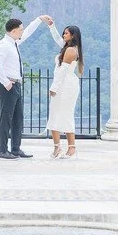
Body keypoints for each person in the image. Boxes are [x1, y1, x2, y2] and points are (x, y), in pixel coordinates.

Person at [0, 14, 53, 160]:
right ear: (13, 31)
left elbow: (27, 33)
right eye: (20, 29)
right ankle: (3, 150)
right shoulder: (4, 45)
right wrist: (6, 83)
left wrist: (39, 19)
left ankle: (15, 148)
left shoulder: (14, 42)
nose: (22, 32)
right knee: (5, 118)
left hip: (16, 85)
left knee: (18, 118)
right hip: (8, 85)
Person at [47, 24, 84, 158]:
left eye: (66, 33)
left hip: (66, 86)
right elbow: (57, 38)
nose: (64, 35)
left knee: (66, 114)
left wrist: (54, 88)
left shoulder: (71, 51)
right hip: (62, 84)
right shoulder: (67, 48)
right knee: (54, 114)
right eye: (64, 33)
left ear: (73, 35)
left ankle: (71, 148)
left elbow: (62, 71)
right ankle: (57, 148)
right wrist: (51, 26)